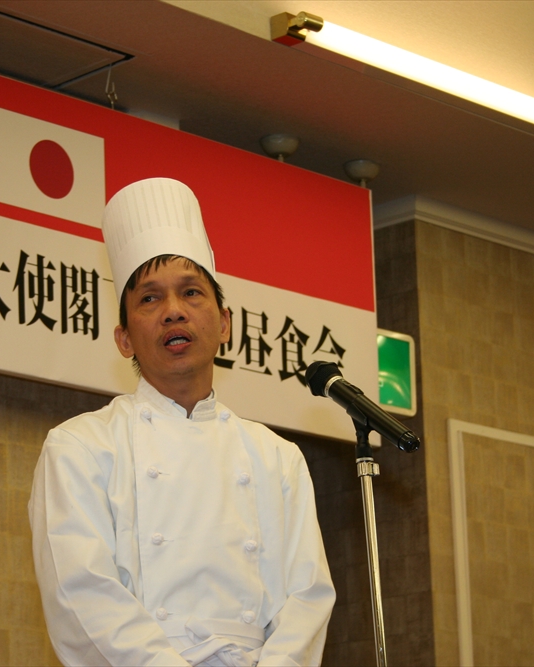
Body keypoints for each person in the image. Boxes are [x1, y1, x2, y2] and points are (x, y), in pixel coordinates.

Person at [29, 178, 335, 666]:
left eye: (191, 292)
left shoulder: (277, 457)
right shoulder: (79, 448)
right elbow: (81, 596)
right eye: (149, 299)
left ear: (225, 323)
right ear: (124, 339)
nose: (173, 312)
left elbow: (307, 599)